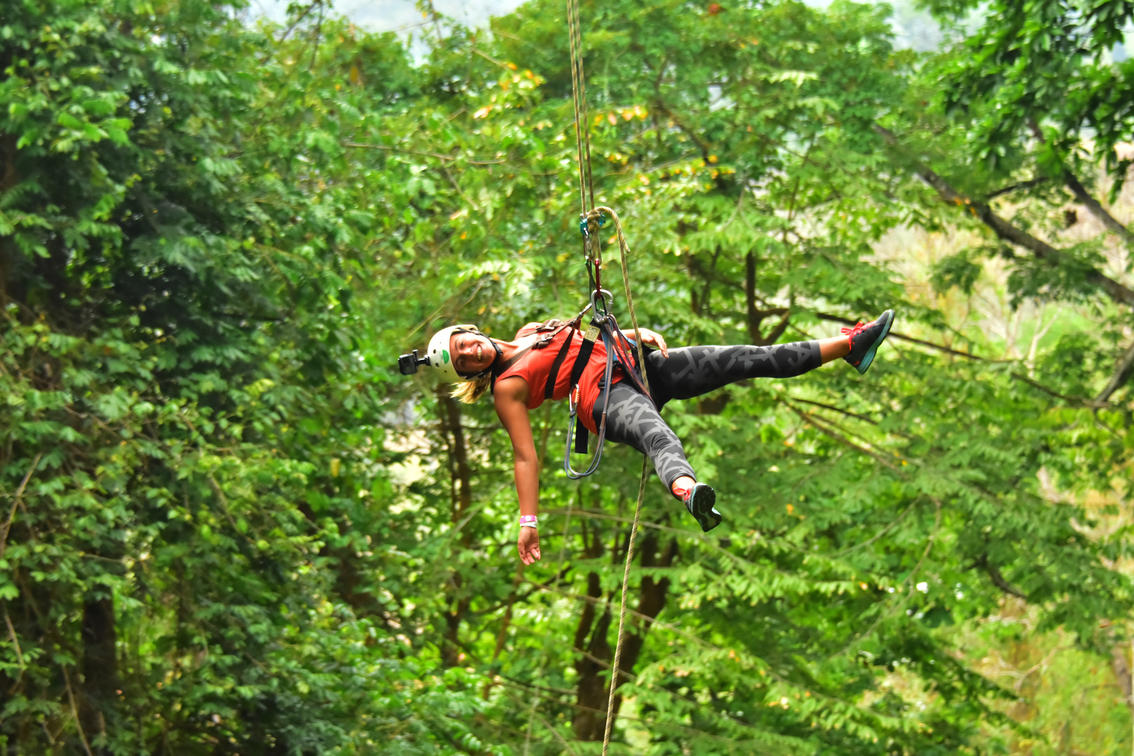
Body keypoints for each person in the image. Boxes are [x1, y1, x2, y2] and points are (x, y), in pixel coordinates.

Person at [413, 309, 895, 565]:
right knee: (659, 438)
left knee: (748, 357)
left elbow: (591, 339)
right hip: (604, 396)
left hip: (637, 365)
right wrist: (528, 520)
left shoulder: (530, 330)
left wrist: (633, 333)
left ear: (469, 330)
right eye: (465, 361)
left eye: (464, 343)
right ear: (471, 373)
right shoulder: (507, 388)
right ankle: (689, 491)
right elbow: (524, 457)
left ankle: (851, 345)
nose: (473, 352)